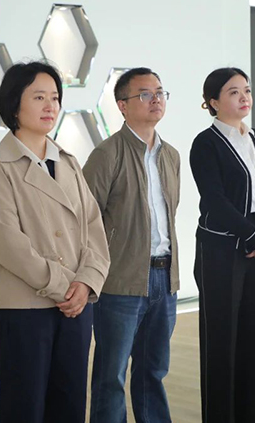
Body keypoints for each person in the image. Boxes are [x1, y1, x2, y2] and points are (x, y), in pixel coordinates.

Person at [0, 61, 110, 423]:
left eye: (55, 97)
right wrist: (65, 285)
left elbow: (94, 227)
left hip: (75, 306)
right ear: (13, 104)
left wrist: (87, 282)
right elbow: (5, 241)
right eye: (38, 97)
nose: (50, 105)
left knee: (70, 406)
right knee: (25, 408)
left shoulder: (68, 162)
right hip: (24, 309)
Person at [82, 67, 181, 423]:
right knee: (111, 375)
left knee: (153, 370)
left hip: (164, 278)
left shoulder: (171, 155)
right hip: (120, 282)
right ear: (122, 105)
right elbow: (85, 219)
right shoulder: (106, 154)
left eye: (160, 92)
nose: (156, 99)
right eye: (145, 94)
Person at [189, 67, 255, 423]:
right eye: (233, 92)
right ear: (213, 102)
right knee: (222, 340)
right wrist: (254, 237)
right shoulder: (206, 143)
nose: (244, 97)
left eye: (246, 90)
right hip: (222, 249)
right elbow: (215, 200)